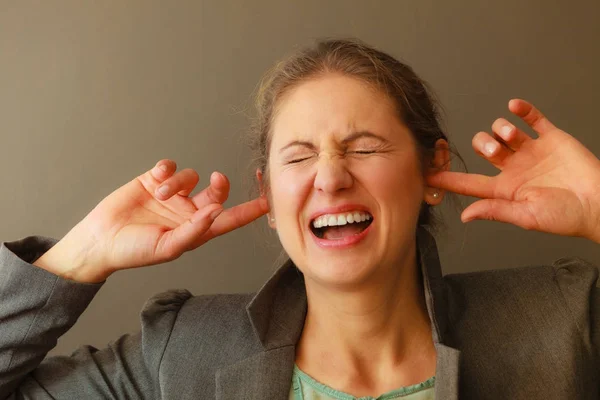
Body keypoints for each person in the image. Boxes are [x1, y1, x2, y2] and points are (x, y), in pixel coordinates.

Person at [0, 39, 599, 400]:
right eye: (299, 156)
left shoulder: (564, 322)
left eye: (364, 147)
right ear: (268, 194)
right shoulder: (183, 351)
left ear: (431, 172)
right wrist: (80, 256)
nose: (330, 177)